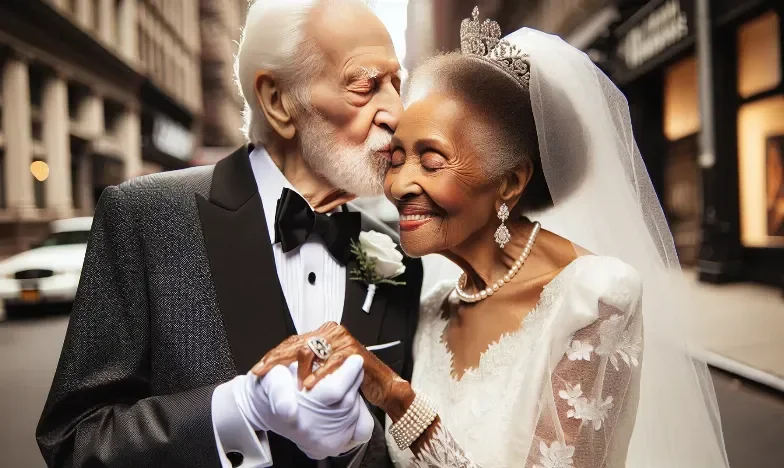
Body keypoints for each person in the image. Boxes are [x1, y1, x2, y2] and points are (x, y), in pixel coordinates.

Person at [254, 9, 730, 468]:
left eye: (433, 161)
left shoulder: (596, 297)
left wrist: (397, 396)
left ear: (510, 182)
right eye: (396, 159)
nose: (398, 186)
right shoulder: (431, 306)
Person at [35, 1, 422, 467]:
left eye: (397, 85)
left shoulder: (401, 252)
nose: (396, 114)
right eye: (366, 85)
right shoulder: (145, 216)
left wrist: (363, 442)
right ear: (278, 101)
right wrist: (238, 410)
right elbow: (74, 441)